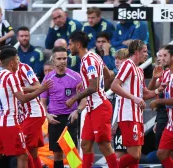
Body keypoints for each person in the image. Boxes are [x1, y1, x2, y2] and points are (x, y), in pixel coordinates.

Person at [0, 47, 52, 167]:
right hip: (12, 121)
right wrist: (42, 89)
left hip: (24, 115)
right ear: (12, 61)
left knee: (1, 155)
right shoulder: (10, 76)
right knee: (24, 154)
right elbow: (22, 98)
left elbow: (1, 93)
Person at [65, 31, 118, 168]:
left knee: (104, 145)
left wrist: (73, 99)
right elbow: (107, 74)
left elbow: (93, 87)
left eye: (70, 44)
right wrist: (85, 81)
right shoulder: (94, 55)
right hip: (91, 107)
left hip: (100, 106)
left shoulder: (88, 60)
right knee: (85, 144)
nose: (68, 47)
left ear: (78, 45)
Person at [111, 40, 161, 168]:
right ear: (137, 52)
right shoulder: (127, 65)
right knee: (134, 155)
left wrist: (158, 90)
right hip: (128, 115)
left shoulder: (139, 70)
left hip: (137, 116)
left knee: (137, 155)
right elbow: (114, 86)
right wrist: (134, 98)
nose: (146, 54)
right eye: (144, 51)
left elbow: (144, 94)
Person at [41, 46, 86, 168]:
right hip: (54, 119)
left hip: (70, 118)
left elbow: (85, 98)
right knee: (57, 154)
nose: (62, 61)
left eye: (65, 58)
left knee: (72, 153)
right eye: (59, 58)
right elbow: (42, 101)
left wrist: (77, 111)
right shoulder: (48, 78)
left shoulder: (75, 77)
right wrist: (47, 115)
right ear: (53, 60)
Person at [111, 48, 130, 159]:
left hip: (124, 122)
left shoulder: (124, 80)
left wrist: (114, 125)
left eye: (120, 59)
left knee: (120, 156)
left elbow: (121, 103)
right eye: (116, 59)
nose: (117, 62)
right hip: (124, 121)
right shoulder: (122, 77)